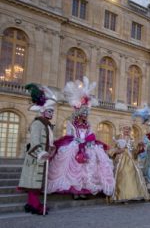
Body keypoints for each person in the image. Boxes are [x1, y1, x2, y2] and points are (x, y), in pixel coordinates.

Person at [48, 77, 115, 199]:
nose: (85, 115)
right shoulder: (71, 123)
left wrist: (89, 141)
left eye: (86, 113)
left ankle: (84, 190)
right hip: (75, 145)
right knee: (75, 168)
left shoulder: (87, 124)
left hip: (87, 146)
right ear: (79, 113)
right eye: (83, 113)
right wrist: (77, 142)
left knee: (88, 167)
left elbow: (90, 134)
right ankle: (75, 191)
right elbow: (70, 135)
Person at [18, 84, 57, 215]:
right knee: (33, 183)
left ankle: (32, 204)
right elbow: (34, 141)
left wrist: (51, 148)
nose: (52, 113)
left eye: (52, 111)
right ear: (42, 111)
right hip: (35, 159)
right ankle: (34, 205)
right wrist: (41, 153)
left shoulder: (47, 125)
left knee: (37, 184)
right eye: (49, 111)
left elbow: (48, 141)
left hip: (43, 158)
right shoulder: (37, 123)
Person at [108, 125, 149, 203]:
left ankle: (132, 195)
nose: (126, 131)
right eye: (125, 129)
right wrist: (118, 150)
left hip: (131, 160)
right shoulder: (116, 138)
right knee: (123, 176)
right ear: (121, 129)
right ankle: (122, 196)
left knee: (133, 176)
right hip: (121, 160)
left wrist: (140, 148)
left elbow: (134, 152)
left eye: (128, 129)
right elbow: (110, 149)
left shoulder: (131, 139)